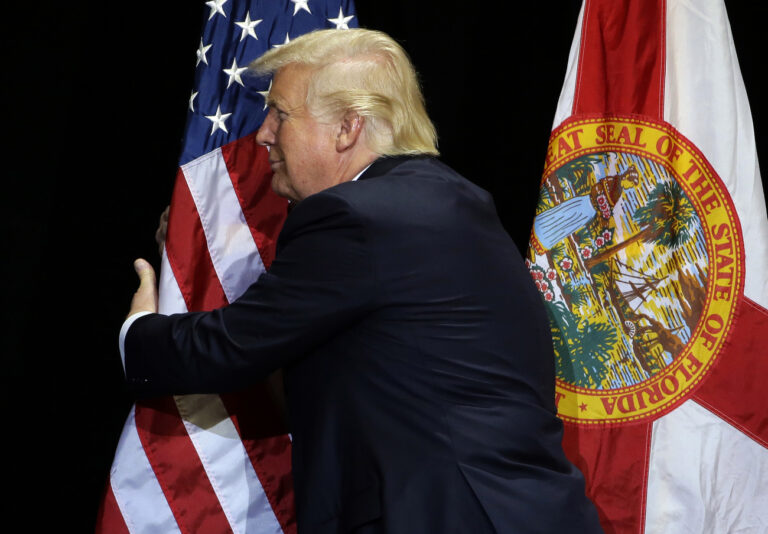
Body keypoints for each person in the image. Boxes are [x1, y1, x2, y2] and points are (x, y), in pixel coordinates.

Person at [123, 29, 603, 533]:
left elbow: (229, 347)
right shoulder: (443, 203)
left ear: (347, 128)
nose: (264, 134)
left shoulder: (359, 217)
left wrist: (139, 329)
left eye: (281, 114)